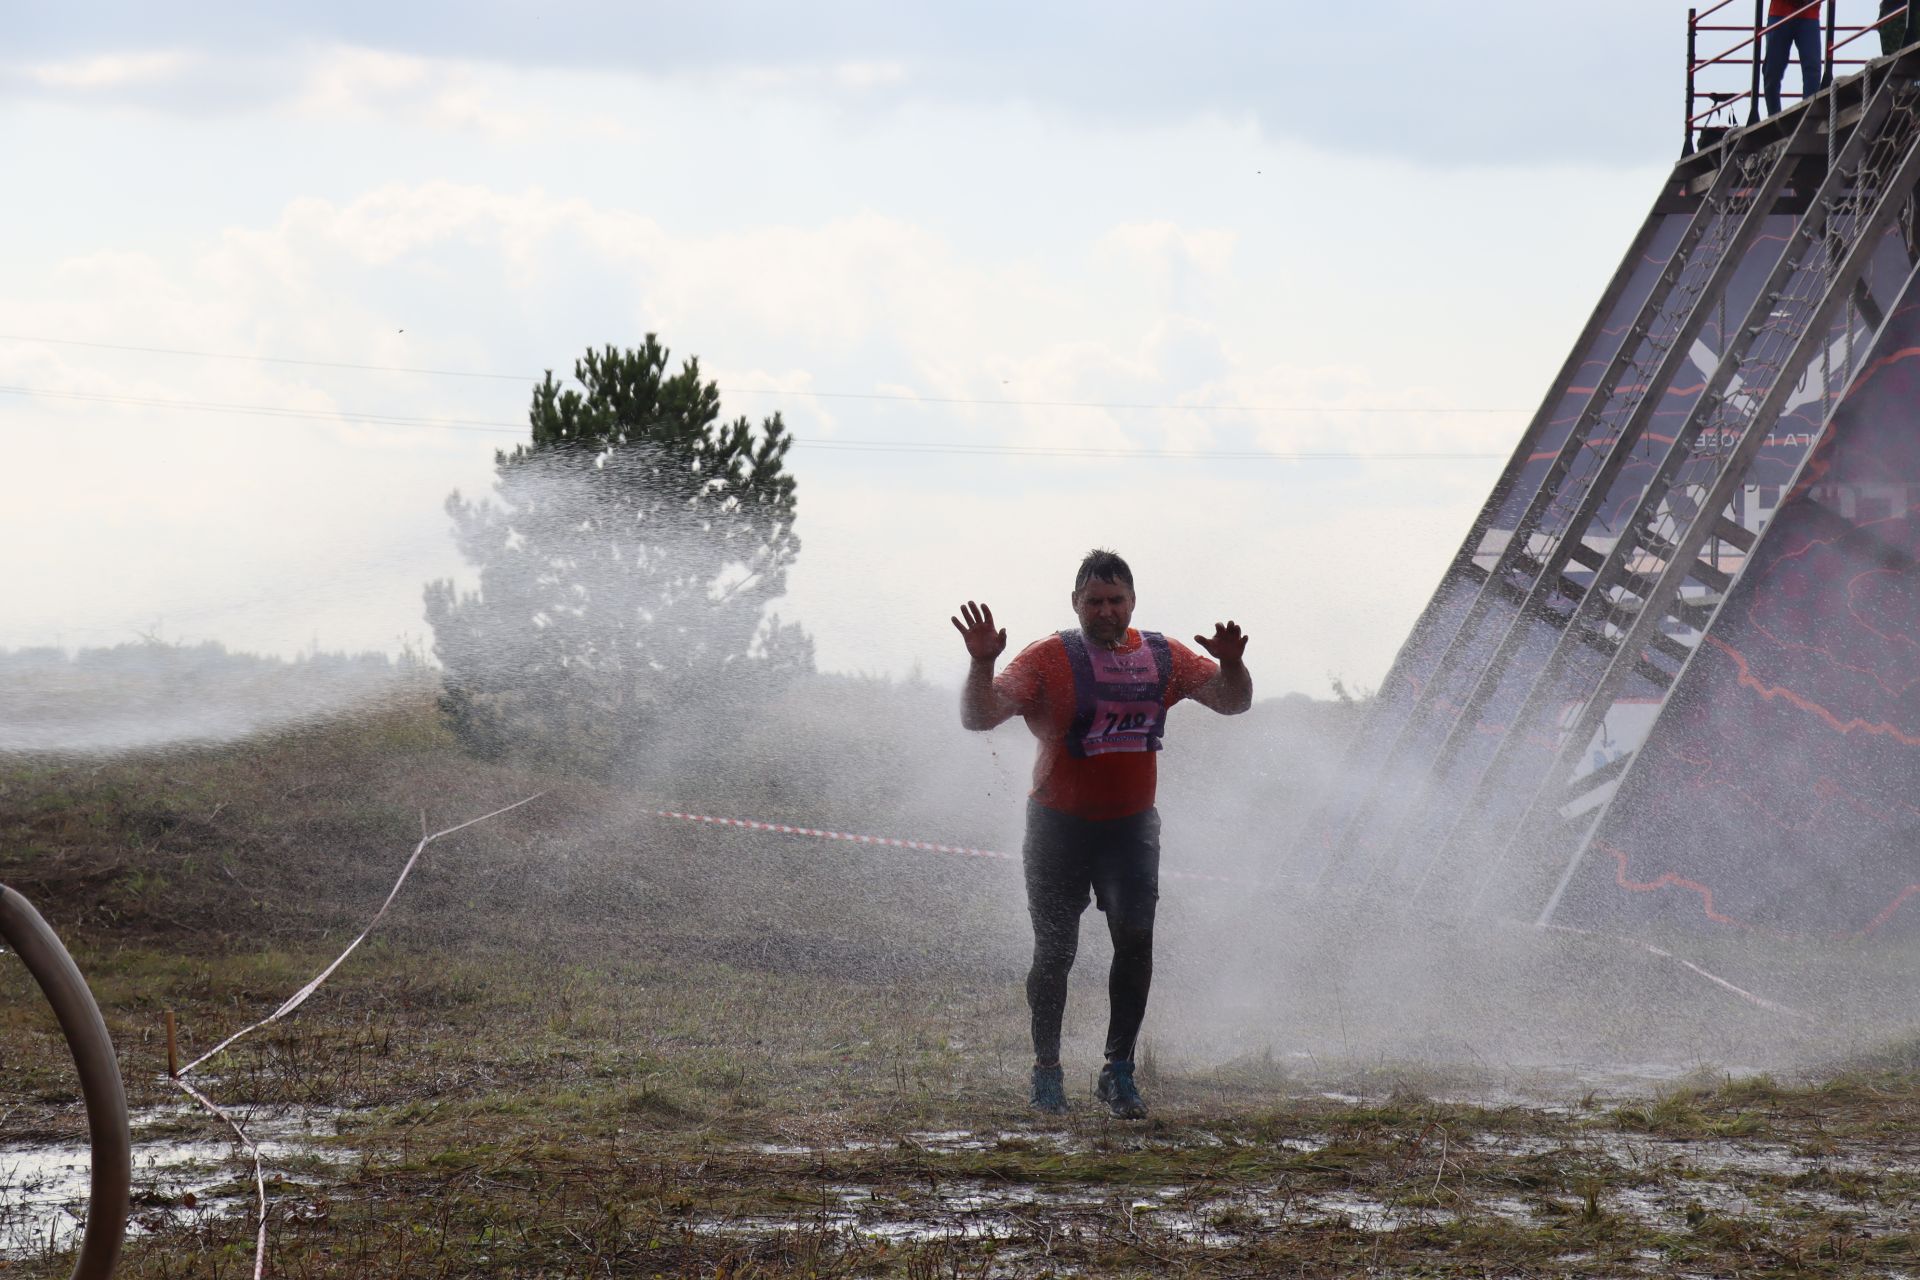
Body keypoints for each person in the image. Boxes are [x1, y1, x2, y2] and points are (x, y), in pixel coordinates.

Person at [951, 549, 1251, 1118]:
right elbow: (978, 717)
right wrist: (981, 665)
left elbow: (1233, 703)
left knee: (1135, 943)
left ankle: (1119, 1072)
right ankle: (1047, 1070)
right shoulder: (1047, 657)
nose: (1106, 612)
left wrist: (1233, 664)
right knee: (1055, 951)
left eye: (1116, 601)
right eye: (1094, 602)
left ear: (1133, 603)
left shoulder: (1163, 656)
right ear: (1075, 604)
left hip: (1131, 829)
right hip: (1057, 828)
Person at [1764, 1, 1824, 117]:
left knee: (1812, 70)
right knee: (1772, 71)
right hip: (1781, 13)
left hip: (1808, 13)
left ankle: (1809, 116)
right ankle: (1774, 117)